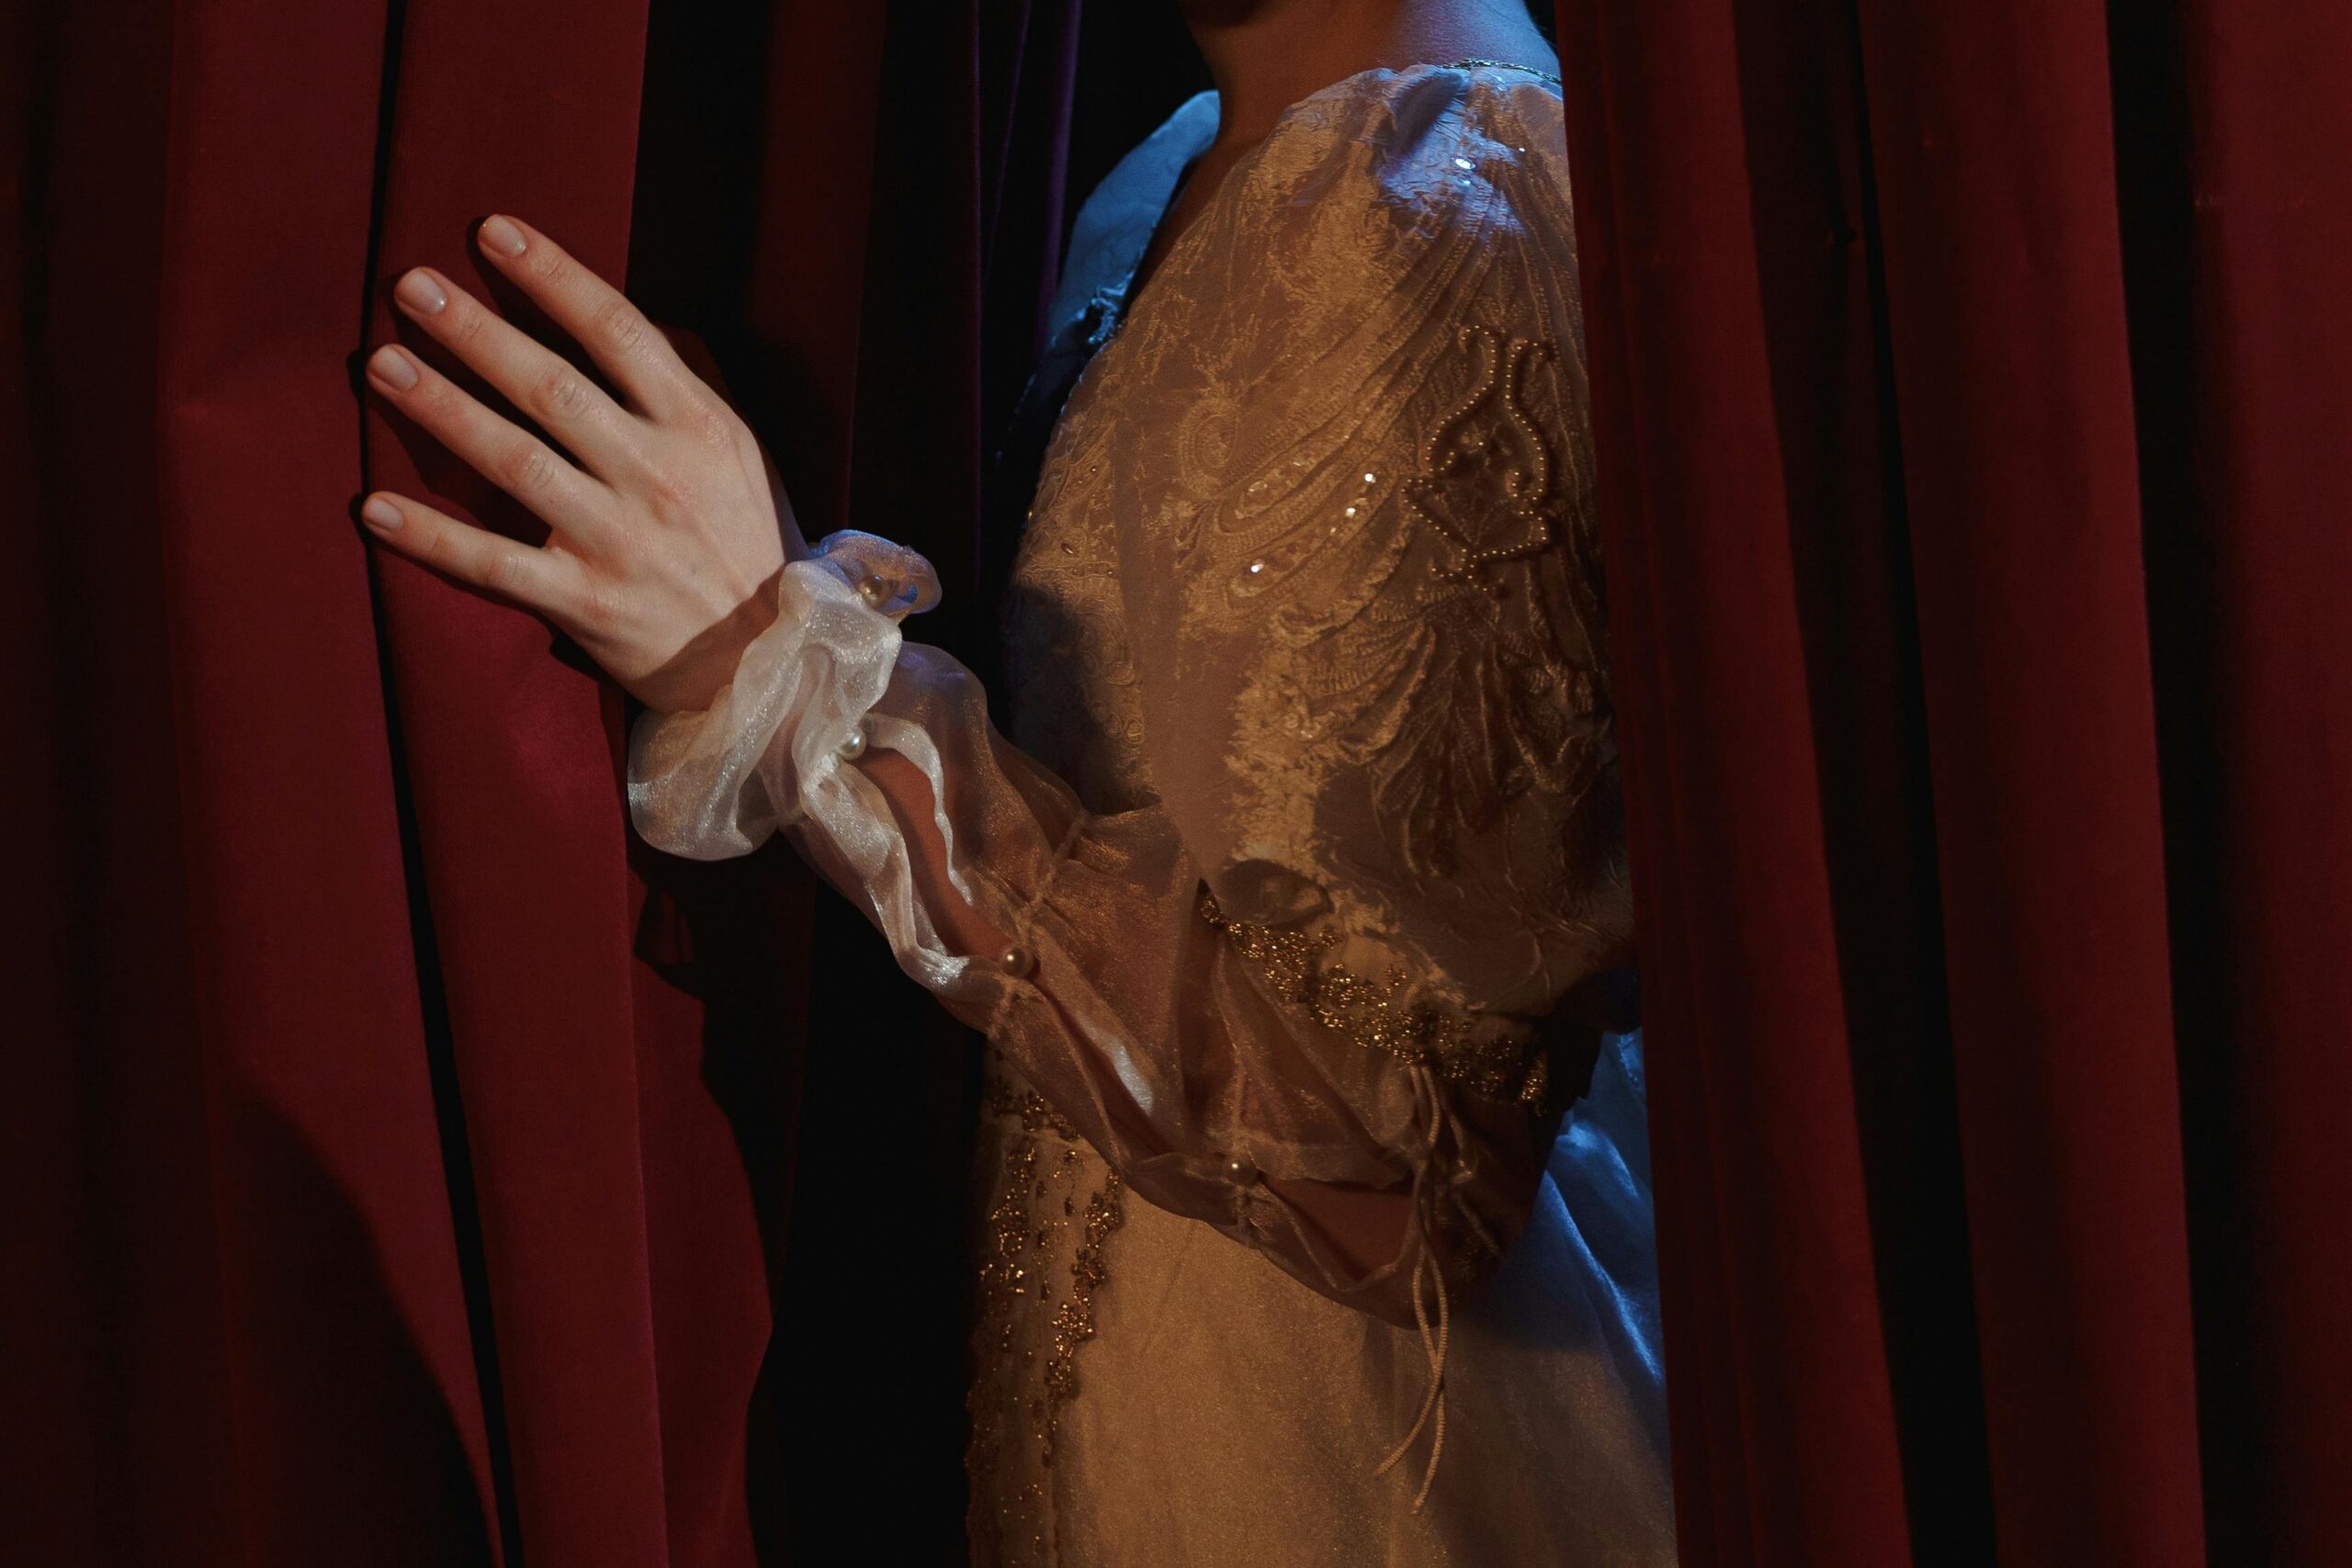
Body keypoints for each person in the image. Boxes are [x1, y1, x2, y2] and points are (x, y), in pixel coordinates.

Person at [352, 1, 1675, 1561]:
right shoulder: (1181, 171)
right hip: (1137, 1422)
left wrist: (802, 685)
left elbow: (1395, 1151)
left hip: (1367, 1480)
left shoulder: (1450, 201)